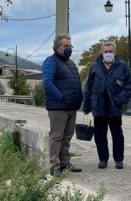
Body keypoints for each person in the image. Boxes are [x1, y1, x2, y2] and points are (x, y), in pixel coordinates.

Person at [82, 41, 131, 169]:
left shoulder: (122, 67)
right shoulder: (95, 67)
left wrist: (120, 100)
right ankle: (103, 159)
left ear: (115, 52)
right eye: (106, 51)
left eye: (111, 51)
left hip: (114, 107)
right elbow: (89, 87)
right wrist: (86, 106)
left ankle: (119, 160)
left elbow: (129, 86)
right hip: (98, 107)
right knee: (100, 135)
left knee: (117, 134)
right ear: (102, 52)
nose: (108, 54)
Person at [42, 34, 83, 176]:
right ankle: (54, 165)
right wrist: (62, 97)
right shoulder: (50, 61)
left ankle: (65, 163)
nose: (69, 49)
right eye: (66, 46)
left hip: (72, 107)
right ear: (57, 47)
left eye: (70, 46)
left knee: (67, 137)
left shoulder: (71, 63)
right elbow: (47, 83)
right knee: (56, 136)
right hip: (58, 107)